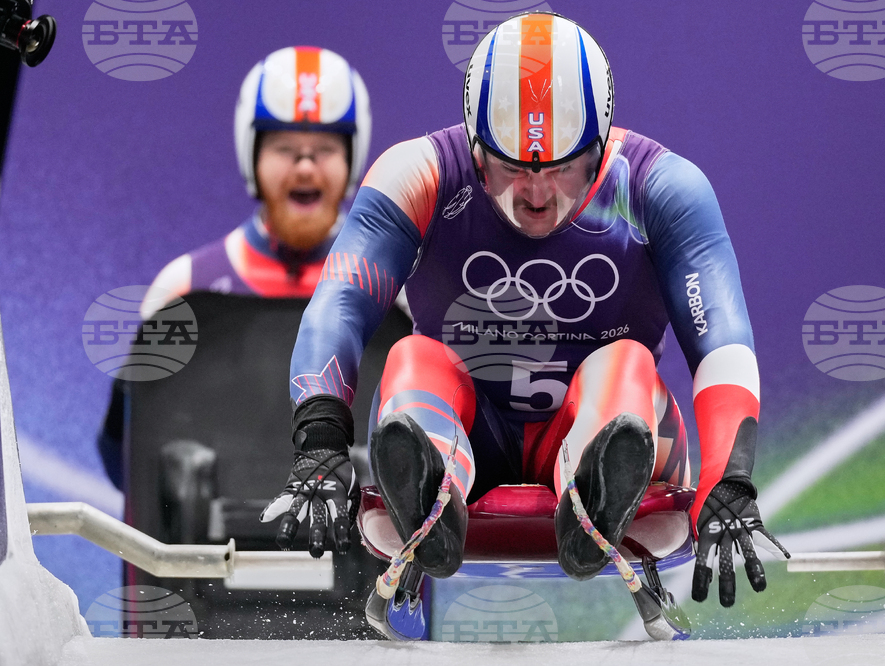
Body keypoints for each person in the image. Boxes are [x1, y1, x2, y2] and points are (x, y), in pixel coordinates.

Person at [261, 12, 788, 621]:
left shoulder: (663, 187)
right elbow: (341, 303)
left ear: (598, 144)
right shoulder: (419, 175)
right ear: (476, 145)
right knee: (412, 355)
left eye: (561, 167)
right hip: (464, 430)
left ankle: (588, 487)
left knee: (626, 363)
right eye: (512, 167)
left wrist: (730, 480)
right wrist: (319, 440)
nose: (536, 194)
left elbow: (721, 341)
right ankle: (436, 492)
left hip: (613, 422)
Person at [98, 46, 373, 489]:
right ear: (254, 158)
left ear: (351, 161)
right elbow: (130, 467)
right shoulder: (184, 288)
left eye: (324, 149)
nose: (305, 167)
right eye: (285, 148)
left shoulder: (394, 291)